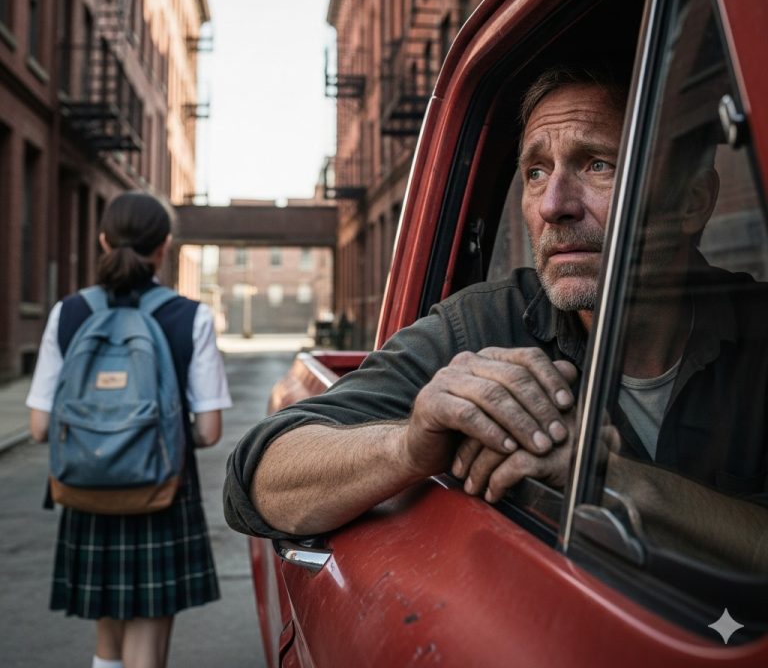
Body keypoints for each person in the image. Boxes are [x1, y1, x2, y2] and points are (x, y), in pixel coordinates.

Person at [223, 67, 768, 572]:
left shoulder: (759, 337)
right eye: (535, 172)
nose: (554, 204)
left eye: (599, 164)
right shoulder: (481, 327)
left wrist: (613, 481)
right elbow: (259, 479)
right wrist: (409, 447)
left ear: (694, 201)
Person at [27, 192, 232, 668]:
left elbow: (39, 428)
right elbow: (208, 432)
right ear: (164, 247)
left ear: (103, 241)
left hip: (86, 486)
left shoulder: (68, 313)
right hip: (161, 489)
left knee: (109, 638)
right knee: (147, 649)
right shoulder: (190, 318)